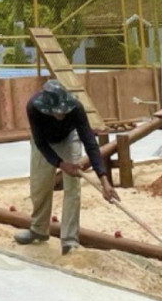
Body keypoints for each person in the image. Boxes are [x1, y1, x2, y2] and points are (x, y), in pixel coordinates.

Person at [15, 79, 118, 254]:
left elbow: (90, 142)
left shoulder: (76, 107)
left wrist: (104, 180)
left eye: (64, 111)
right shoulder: (33, 107)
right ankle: (38, 230)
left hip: (69, 139)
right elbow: (40, 143)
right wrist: (62, 165)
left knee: (73, 188)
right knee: (39, 186)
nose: (61, 115)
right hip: (44, 143)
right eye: (57, 112)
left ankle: (69, 240)